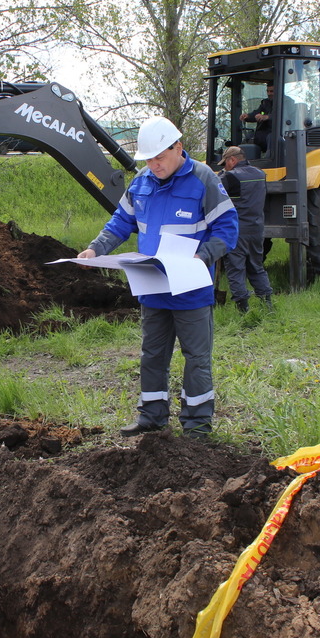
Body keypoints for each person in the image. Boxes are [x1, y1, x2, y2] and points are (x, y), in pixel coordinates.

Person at [78, 116, 238, 439]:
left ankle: (196, 427)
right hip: (153, 289)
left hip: (190, 291)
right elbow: (120, 223)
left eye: (159, 157)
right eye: (148, 159)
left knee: (196, 358)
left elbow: (228, 228)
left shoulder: (203, 179)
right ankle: (151, 416)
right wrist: (95, 249)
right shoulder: (141, 182)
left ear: (178, 147)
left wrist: (202, 256)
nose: (154, 164)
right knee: (152, 354)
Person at [218, 146, 273, 313]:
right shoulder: (260, 174)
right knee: (256, 267)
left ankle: (243, 310)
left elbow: (215, 191)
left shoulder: (230, 176)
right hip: (256, 229)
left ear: (232, 160)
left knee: (235, 269)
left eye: (225, 163)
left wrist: (221, 175)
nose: (224, 167)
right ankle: (267, 305)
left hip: (237, 231)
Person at [240, 82, 275, 153]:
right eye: (267, 91)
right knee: (247, 139)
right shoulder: (265, 103)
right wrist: (247, 116)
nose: (269, 93)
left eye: (271, 91)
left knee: (271, 138)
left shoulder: (286, 102)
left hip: (276, 134)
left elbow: (285, 116)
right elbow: (257, 113)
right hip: (262, 135)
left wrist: (268, 117)